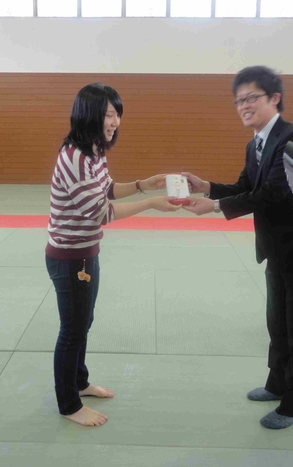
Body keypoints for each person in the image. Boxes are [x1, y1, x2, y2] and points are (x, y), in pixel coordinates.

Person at [182, 66, 293, 430]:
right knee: (277, 325)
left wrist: (215, 207)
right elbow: (245, 186)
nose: (243, 106)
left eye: (251, 98)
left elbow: (275, 192)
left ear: (274, 98)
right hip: (278, 249)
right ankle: (276, 384)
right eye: (238, 100)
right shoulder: (255, 144)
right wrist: (205, 186)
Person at [45, 83, 180, 427]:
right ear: (89, 114)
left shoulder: (94, 150)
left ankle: (79, 382)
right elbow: (100, 212)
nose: (115, 121)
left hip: (85, 253)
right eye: (108, 114)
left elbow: (105, 189)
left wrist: (144, 184)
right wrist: (151, 203)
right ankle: (69, 404)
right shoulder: (74, 157)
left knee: (83, 323)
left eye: (117, 114)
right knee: (72, 330)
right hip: (69, 258)